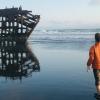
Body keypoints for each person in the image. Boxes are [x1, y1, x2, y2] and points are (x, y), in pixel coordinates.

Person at [87, 33, 100, 98]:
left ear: (95, 38)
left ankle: (99, 94)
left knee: (97, 80)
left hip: (96, 66)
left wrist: (88, 65)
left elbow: (91, 58)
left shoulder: (93, 47)